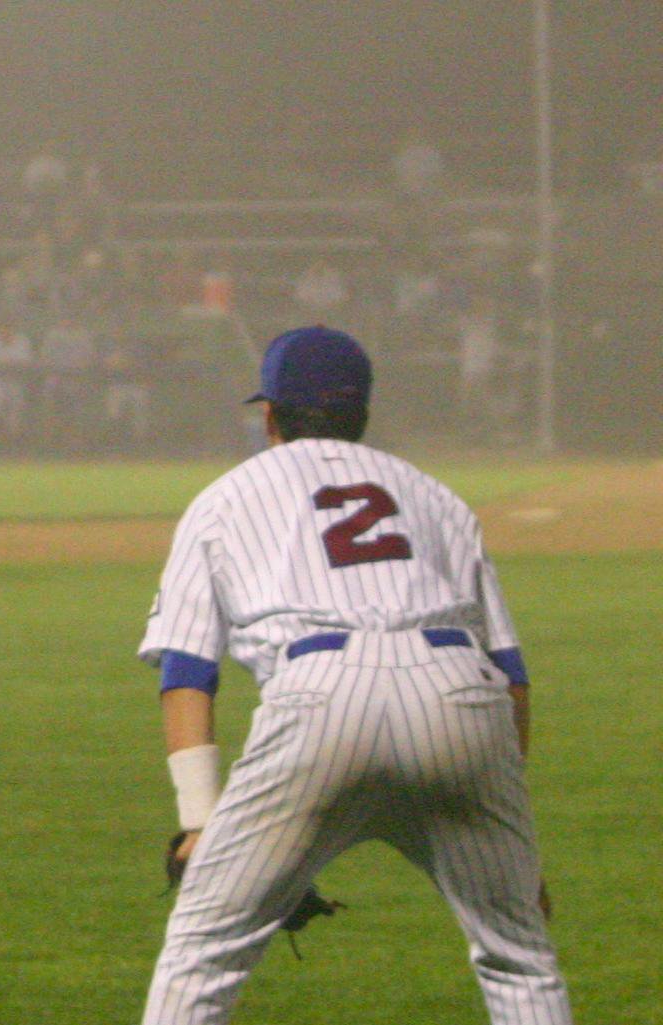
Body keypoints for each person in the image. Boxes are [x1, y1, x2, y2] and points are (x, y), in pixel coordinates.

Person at [138, 326, 567, 1025]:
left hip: (322, 695)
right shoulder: (435, 496)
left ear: (269, 413)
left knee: (203, 948)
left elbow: (188, 669)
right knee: (520, 952)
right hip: (458, 692)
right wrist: (508, 835)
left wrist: (197, 821)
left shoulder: (224, 497)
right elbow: (511, 674)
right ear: (361, 412)